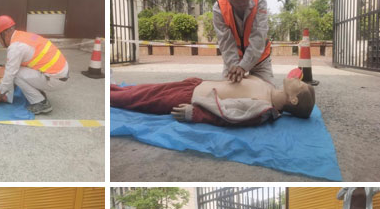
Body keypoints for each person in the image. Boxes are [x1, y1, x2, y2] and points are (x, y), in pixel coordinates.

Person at [111, 75, 315, 127]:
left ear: (293, 100)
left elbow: (229, 116)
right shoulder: (268, 86)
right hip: (194, 84)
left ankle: (110, 94)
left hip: (188, 98)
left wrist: (195, 113)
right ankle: (114, 88)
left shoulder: (262, 108)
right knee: (139, 89)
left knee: (131, 98)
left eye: (300, 84)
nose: (297, 79)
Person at [213, 0, 273, 85]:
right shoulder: (219, 8)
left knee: (268, 92)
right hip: (233, 61)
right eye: (236, 0)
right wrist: (235, 67)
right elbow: (226, 43)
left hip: (260, 60)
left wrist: (244, 66)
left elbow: (258, 37)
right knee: (226, 93)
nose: (241, 4)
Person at [0, 15, 69, 114]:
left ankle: (41, 103)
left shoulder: (16, 47)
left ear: (5, 33)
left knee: (15, 74)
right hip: (60, 73)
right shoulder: (23, 36)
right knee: (17, 70)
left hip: (55, 78)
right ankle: (39, 93)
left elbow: (9, 75)